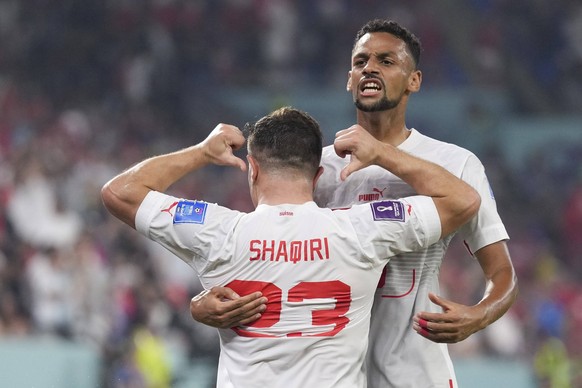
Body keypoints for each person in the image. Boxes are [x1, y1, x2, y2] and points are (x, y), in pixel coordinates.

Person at [189, 19, 518, 388]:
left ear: (415, 80)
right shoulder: (318, 168)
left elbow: (502, 274)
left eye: (386, 61)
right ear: (349, 79)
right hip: (333, 376)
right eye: (361, 61)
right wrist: (200, 303)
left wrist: (479, 315)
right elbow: (262, 251)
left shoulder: (456, 165)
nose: (370, 68)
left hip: (416, 374)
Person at [101, 106, 480, 388]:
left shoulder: (218, 232)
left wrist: (201, 152)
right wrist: (383, 153)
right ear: (318, 176)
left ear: (252, 168)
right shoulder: (362, 228)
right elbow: (463, 200)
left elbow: (119, 193)